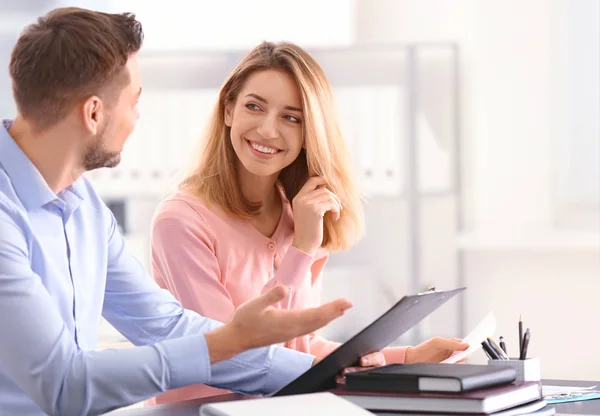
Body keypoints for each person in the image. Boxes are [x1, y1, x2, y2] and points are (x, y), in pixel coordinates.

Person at [0, 9, 354, 416]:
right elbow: (63, 384)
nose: (137, 118)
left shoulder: (83, 208)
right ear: (94, 113)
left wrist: (334, 374)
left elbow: (165, 324)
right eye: (134, 102)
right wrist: (226, 342)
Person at [150, 41, 468, 404]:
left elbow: (298, 346)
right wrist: (301, 249)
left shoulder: (295, 212)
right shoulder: (181, 221)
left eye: (291, 117)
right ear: (228, 111)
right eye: (254, 106)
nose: (268, 130)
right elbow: (233, 356)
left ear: (308, 134)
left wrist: (407, 358)